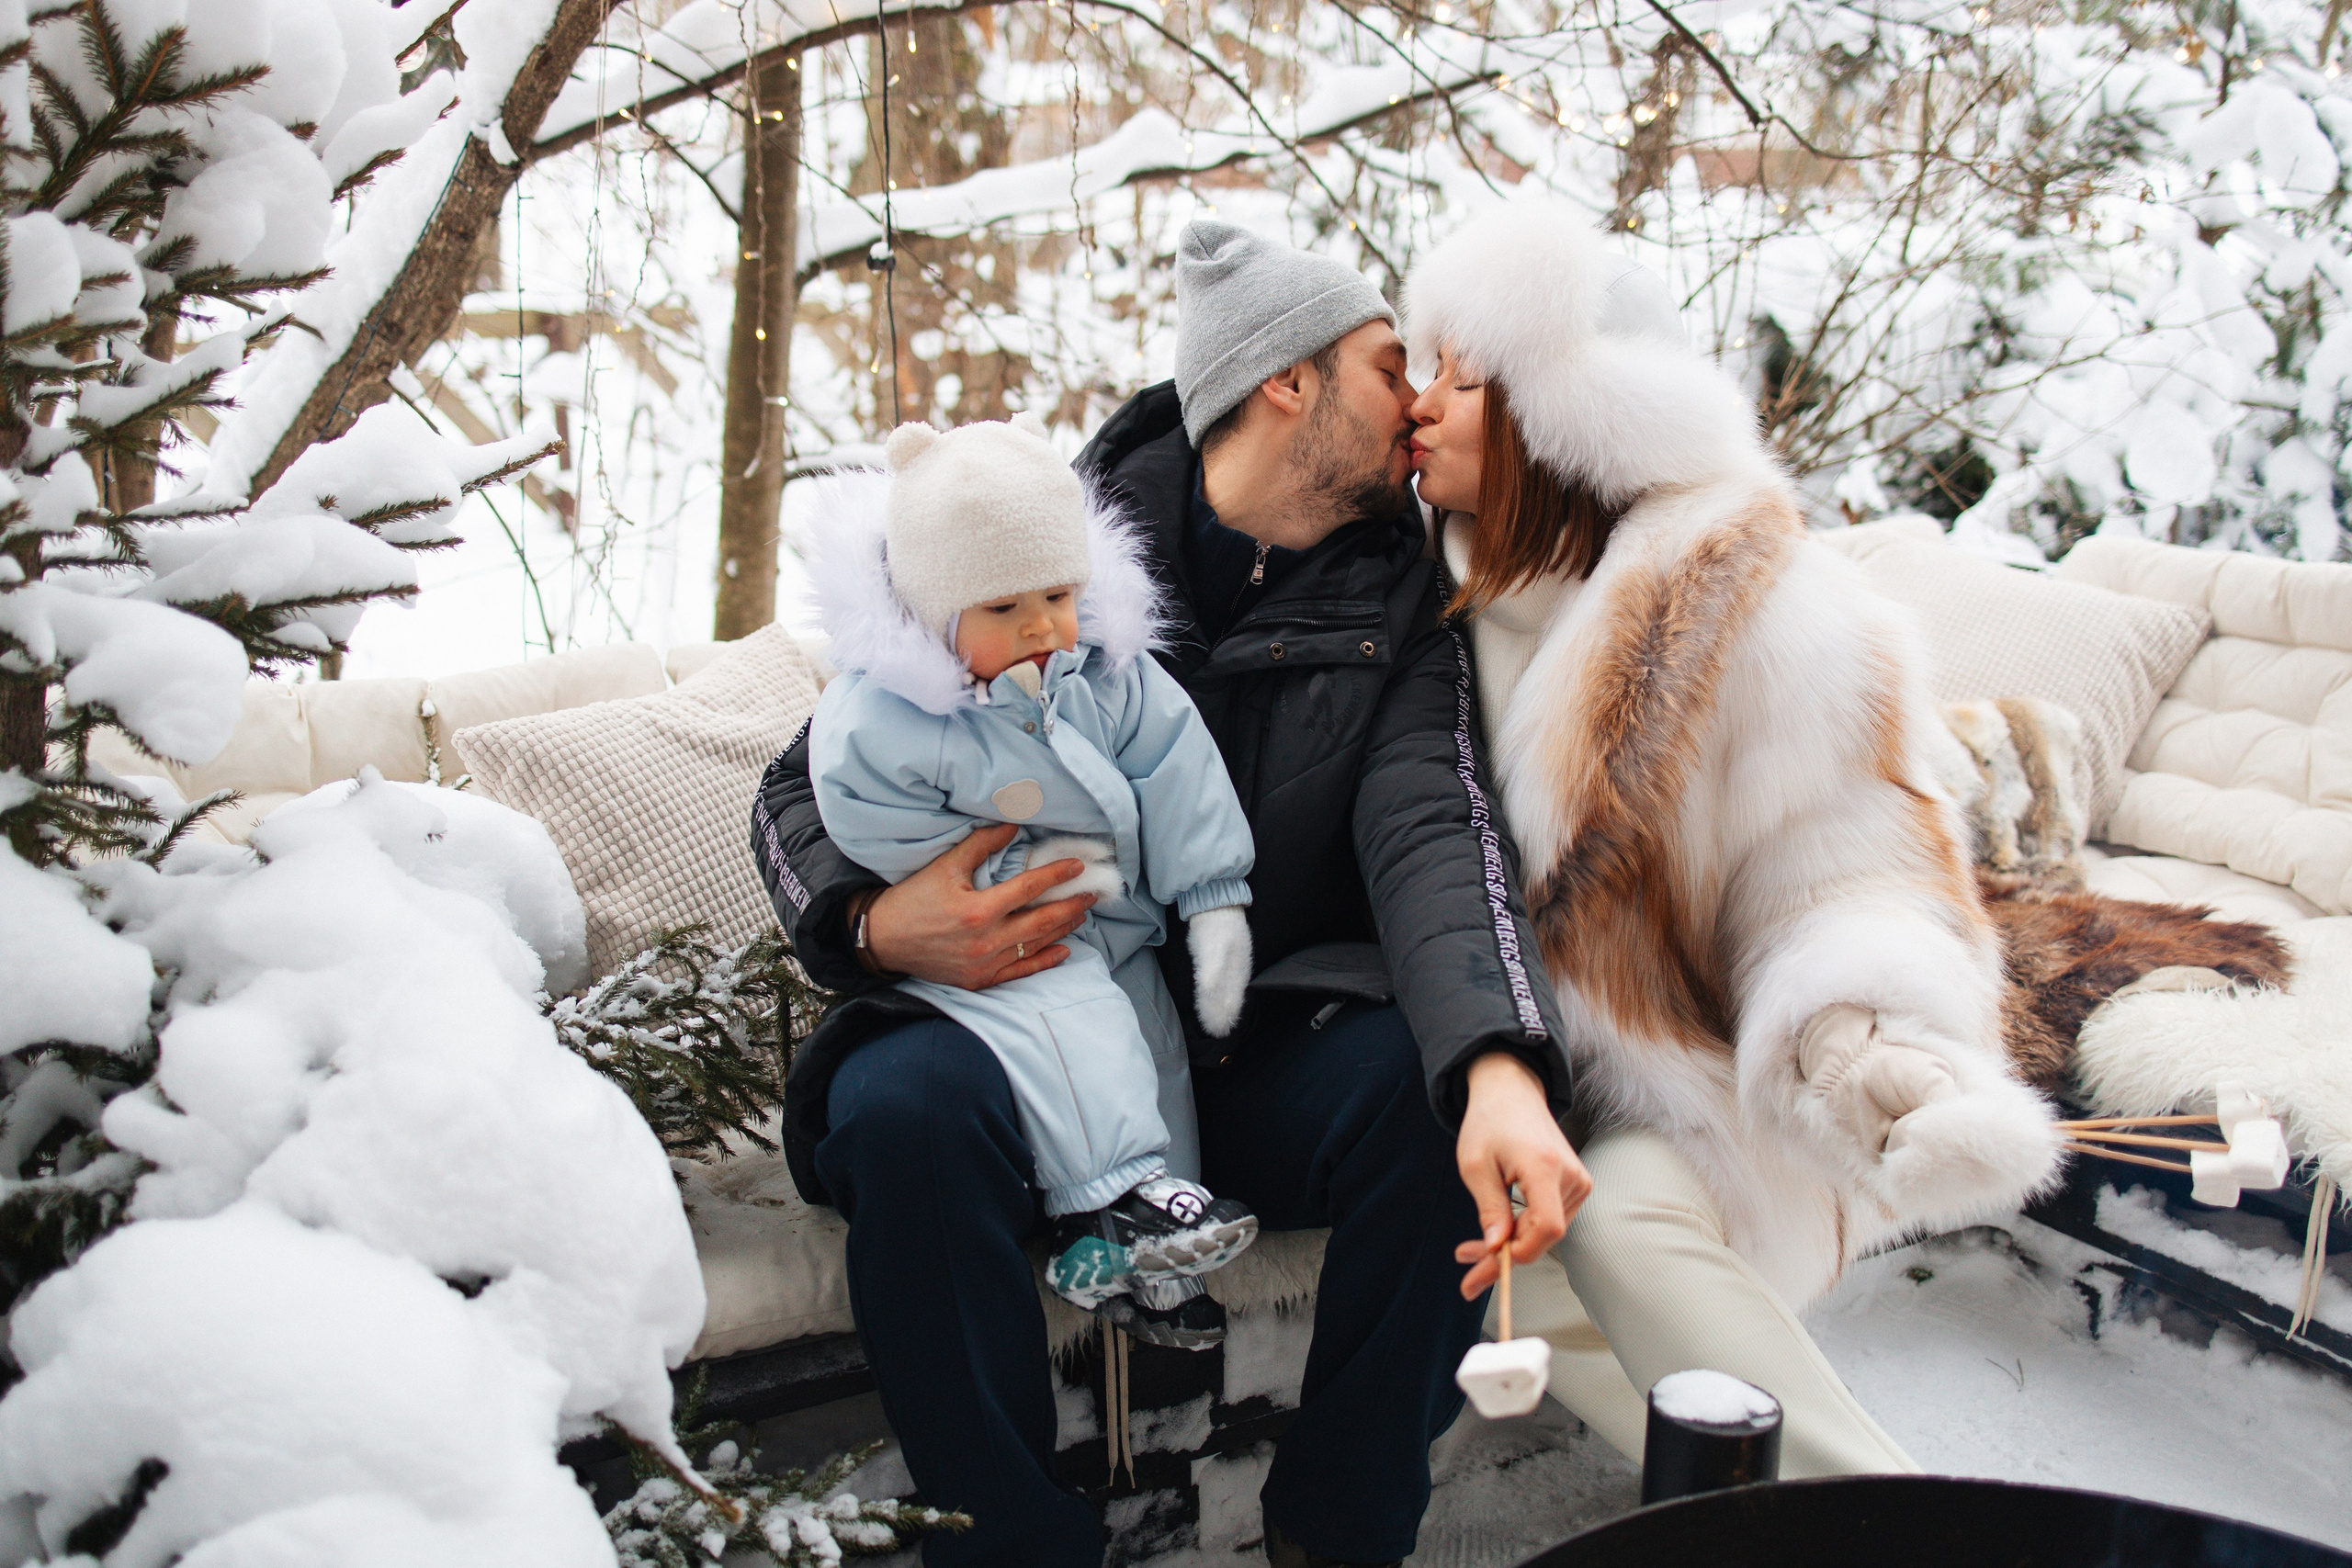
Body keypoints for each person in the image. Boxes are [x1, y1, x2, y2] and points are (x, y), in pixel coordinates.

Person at [751, 220, 1587, 1568]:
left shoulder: (1405, 602)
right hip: (1009, 1025)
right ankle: (1013, 1547)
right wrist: (867, 920)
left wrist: (1498, 1058)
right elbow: (800, 779)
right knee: (898, 1109)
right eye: (1391, 367)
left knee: (1426, 1092)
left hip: (1238, 1043)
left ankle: (1336, 1531)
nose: (1420, 403)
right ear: (1288, 384)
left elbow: (1440, 826)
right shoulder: (1035, 537)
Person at [1402, 203, 2066, 1472]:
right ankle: (1759, 1502)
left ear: (1567, 415)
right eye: (1419, 368)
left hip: (1694, 1071)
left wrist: (1853, 1032)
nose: (1421, 403)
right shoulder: (1418, 587)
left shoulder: (1767, 612)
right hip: (1500, 1068)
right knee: (1548, 1271)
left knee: (1621, 1225)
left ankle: (1880, 1518)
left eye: (1461, 374)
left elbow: (1846, 863)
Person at [803, 412, 1261, 1347]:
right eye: (1004, 610)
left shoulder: (1104, 673)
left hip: (1119, 927)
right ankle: (1118, 1200)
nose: (1042, 627)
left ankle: (1141, 1269)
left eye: (1056, 594)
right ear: (937, 618)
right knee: (1073, 1041)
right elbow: (866, 812)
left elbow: (1176, 764)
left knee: (1153, 1062)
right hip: (1010, 928)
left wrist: (1213, 894)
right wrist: (992, 877)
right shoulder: (887, 719)